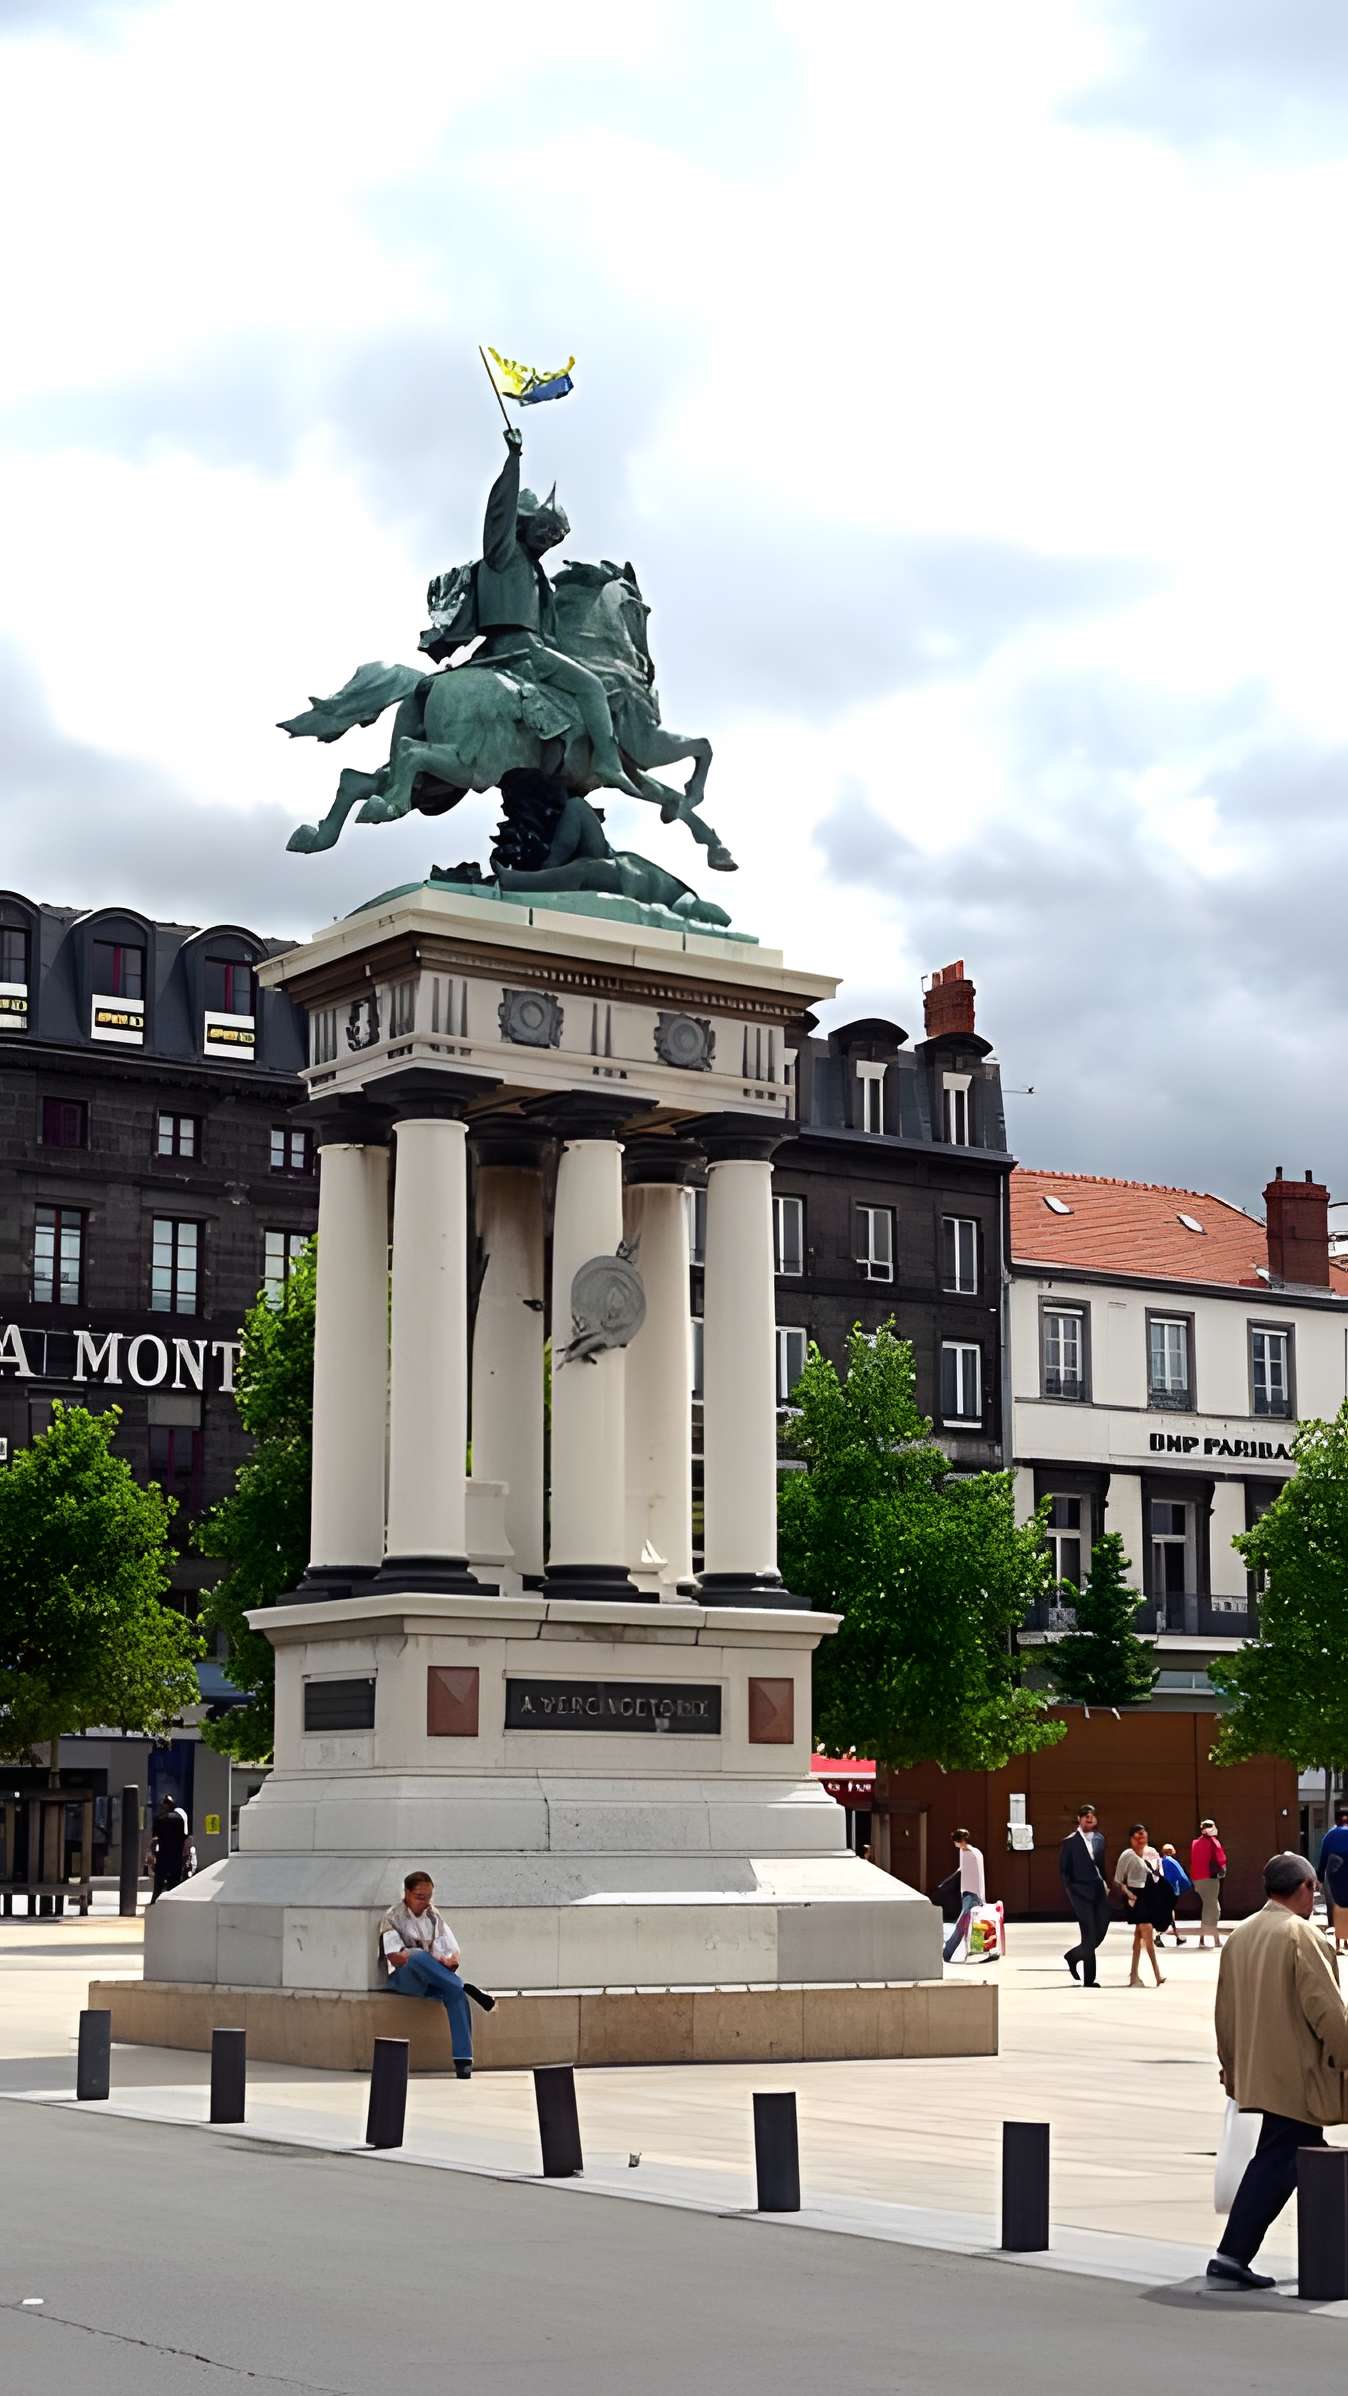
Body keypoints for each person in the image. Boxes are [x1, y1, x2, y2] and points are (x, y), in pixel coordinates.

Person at [1209, 1850, 1348, 2289]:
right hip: (1297, 2071)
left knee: (1292, 2156)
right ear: (1305, 1888)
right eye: (1314, 1889)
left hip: (1257, 2069)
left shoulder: (1241, 1935)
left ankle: (1234, 2254)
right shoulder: (1300, 1934)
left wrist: (1230, 2067)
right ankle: (1233, 2255)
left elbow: (1224, 2012)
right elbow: (1326, 2008)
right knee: (1289, 2158)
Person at [378, 1871, 474, 2078]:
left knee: (456, 1994)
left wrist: (449, 1961)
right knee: (416, 1956)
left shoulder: (433, 1915)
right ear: (407, 1894)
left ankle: (463, 2061)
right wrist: (424, 1959)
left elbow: (452, 1948)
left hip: (434, 1978)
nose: (425, 1902)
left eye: (429, 1897)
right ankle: (460, 1984)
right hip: (405, 1978)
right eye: (420, 1897)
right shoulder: (393, 1916)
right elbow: (395, 1957)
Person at [1060, 1802, 1111, 1987]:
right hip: (1080, 1892)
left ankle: (1073, 1956)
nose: (1089, 1820)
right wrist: (1072, 1892)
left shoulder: (1099, 1839)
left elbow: (1101, 1864)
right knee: (1089, 1935)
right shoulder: (1070, 1841)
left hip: (1099, 1890)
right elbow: (1064, 1871)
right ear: (1079, 1819)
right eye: (1086, 1817)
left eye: (1092, 1817)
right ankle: (1089, 1979)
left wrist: (1106, 1883)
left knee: (1102, 1927)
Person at [1114, 1824, 1167, 1987]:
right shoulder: (1127, 1856)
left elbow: (1159, 1875)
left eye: (1143, 1836)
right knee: (1147, 1933)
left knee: (1139, 1937)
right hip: (1133, 1897)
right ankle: (1157, 1975)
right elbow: (1118, 1880)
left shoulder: (1152, 1853)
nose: (1140, 1840)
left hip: (1148, 1895)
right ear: (1131, 1839)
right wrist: (1129, 1895)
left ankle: (1133, 1976)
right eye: (1137, 1837)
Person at [942, 1829, 987, 1964]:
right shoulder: (973, 1852)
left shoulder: (969, 1853)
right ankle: (977, 1949)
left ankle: (947, 1953)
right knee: (974, 1923)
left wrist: (946, 1882)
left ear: (958, 1841)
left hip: (970, 1893)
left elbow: (962, 1870)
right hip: (974, 1893)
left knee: (962, 1925)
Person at [145, 1794, 189, 1903]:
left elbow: (155, 1839)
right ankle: (172, 1903)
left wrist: (152, 1854)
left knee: (158, 1884)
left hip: (163, 1855)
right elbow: (185, 1837)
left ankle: (154, 1901)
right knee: (174, 1884)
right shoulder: (180, 1819)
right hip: (176, 1856)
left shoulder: (159, 1819)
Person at [1191, 1817, 1228, 1947]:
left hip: (1198, 1879)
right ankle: (1214, 1940)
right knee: (1212, 1909)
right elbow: (1221, 1858)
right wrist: (1223, 1870)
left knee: (1210, 1907)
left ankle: (1203, 1939)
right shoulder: (1213, 1842)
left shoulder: (1195, 1843)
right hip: (1210, 1879)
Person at [1316, 1803, 1348, 1952]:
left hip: (1334, 1872)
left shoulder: (1330, 1835)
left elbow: (1323, 1857)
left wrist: (1320, 1876)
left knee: (1336, 1906)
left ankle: (1337, 1943)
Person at [1157, 1843, 1191, 1946]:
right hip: (1172, 1891)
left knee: (1169, 1911)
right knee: (1168, 1912)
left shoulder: (1160, 1862)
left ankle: (1177, 1936)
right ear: (1172, 1852)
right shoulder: (1172, 1862)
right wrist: (1185, 1887)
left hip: (1162, 1891)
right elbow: (1181, 1876)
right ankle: (1158, 1935)